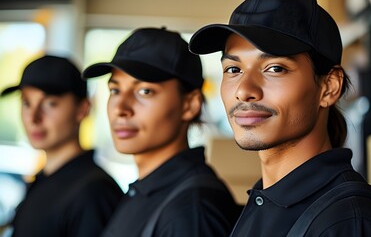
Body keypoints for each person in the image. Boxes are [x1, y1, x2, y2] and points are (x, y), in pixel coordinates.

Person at [188, 0, 371, 236]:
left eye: (275, 68)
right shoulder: (264, 200)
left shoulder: (350, 222)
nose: (244, 90)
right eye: (234, 69)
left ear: (329, 87)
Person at [82, 27, 241, 237]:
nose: (121, 109)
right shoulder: (145, 190)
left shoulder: (191, 210)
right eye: (115, 90)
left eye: (145, 91)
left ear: (190, 104)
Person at [0, 55, 124, 237]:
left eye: (50, 103)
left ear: (82, 109)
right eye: (27, 103)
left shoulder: (93, 192)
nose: (34, 118)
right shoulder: (44, 179)